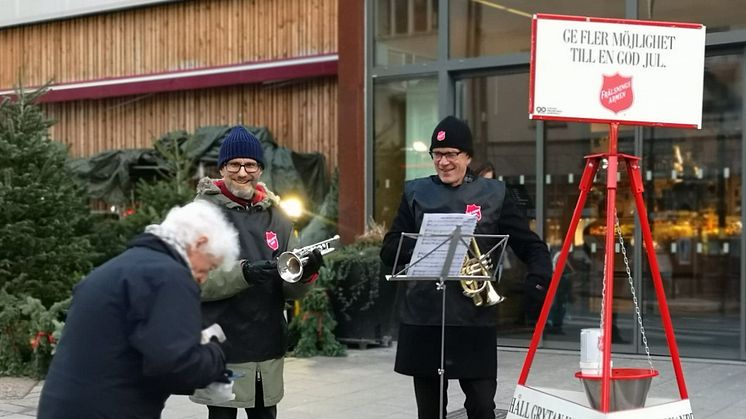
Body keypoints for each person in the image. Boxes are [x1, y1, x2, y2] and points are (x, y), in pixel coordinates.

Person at [380, 116, 552, 419]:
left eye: (451, 154)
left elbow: (531, 245)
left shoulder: (494, 193)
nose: (443, 162)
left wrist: (538, 279)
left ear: (468, 156)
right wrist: (427, 243)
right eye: (437, 154)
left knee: (483, 407)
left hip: (473, 318)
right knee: (430, 411)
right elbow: (390, 249)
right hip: (425, 316)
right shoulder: (415, 192)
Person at [37, 200, 240, 419]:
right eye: (208, 267)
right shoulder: (169, 277)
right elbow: (178, 367)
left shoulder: (119, 267)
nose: (203, 278)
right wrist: (215, 352)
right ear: (199, 243)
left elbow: (139, 354)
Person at [189, 125, 323, 419]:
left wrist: (305, 275)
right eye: (234, 164)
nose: (242, 172)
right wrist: (245, 273)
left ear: (260, 170)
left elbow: (289, 287)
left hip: (267, 342)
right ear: (222, 168)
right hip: (223, 342)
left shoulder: (278, 216)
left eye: (250, 164)